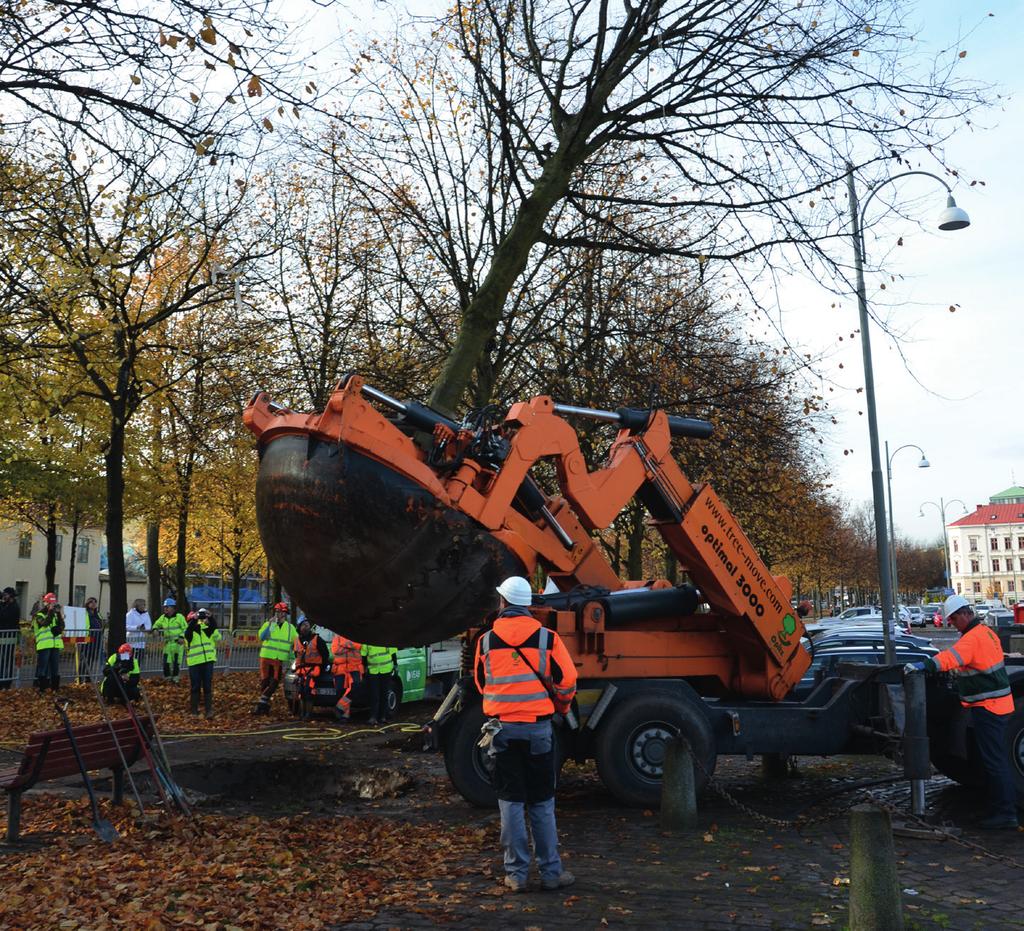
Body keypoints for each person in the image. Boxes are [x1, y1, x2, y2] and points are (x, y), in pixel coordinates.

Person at [473, 576, 578, 893]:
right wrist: (560, 705)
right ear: (528, 606)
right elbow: (568, 681)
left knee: (511, 803)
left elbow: (481, 682)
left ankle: (516, 875)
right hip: (537, 730)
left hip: (502, 730)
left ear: (503, 603)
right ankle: (550, 874)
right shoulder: (547, 638)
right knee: (542, 804)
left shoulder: (486, 641)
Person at [905, 594, 1019, 830]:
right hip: (996, 705)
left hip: (988, 707)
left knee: (995, 763)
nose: (953, 624)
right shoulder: (986, 632)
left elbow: (950, 658)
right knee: (995, 761)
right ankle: (1001, 808)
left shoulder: (972, 638)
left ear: (965, 614)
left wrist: (924, 666)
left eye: (954, 619)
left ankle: (1005, 813)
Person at [254, 602, 297, 715]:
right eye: (277, 612)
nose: (279, 614)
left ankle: (262, 703)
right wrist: (270, 625)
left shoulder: (290, 628)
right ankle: (263, 706)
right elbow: (262, 637)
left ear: (285, 614)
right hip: (266, 657)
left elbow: (296, 644)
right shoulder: (270, 624)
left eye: (281, 612)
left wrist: (295, 657)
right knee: (265, 682)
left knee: (275, 682)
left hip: (279, 659)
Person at [184, 608, 220, 719]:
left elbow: (214, 627)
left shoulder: (206, 630)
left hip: (207, 661)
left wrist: (210, 617)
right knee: (195, 686)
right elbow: (188, 633)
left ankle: (209, 711)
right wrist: (194, 620)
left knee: (207, 685)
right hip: (194, 663)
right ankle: (194, 711)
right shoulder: (189, 633)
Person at [293, 619, 329, 720]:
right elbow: (297, 656)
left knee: (309, 691)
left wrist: (321, 668)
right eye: (303, 625)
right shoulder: (297, 640)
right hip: (301, 670)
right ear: (299, 627)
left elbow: (325, 654)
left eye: (307, 625)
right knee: (301, 692)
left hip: (313, 670)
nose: (305, 627)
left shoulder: (317, 639)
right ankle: (302, 713)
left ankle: (308, 714)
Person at [360, 642, 398, 727]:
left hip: (386, 669)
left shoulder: (386, 638)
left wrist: (395, 665)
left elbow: (393, 653)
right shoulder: (367, 641)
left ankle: (382, 717)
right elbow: (363, 656)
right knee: (374, 695)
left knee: (384, 694)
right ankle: (374, 717)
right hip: (373, 671)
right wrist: (365, 668)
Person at [32, 593, 64, 692]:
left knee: (55, 668)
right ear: (45, 603)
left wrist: (58, 613)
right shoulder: (39, 615)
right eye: (50, 603)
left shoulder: (54, 615)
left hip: (55, 645)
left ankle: (55, 688)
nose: (52, 605)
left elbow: (62, 626)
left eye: (53, 603)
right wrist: (50, 611)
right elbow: (45, 623)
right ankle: (42, 688)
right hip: (44, 645)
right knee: (43, 668)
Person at [330, 631, 363, 723]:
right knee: (340, 690)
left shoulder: (357, 635)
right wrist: (351, 646)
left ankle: (339, 707)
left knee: (355, 687)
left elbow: (359, 646)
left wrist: (344, 645)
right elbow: (335, 650)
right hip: (340, 668)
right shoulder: (337, 636)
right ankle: (344, 716)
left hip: (354, 667)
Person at [153, 598, 187, 682]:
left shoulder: (179, 617)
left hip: (177, 644)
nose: (165, 609)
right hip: (167, 644)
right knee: (166, 663)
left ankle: (175, 678)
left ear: (172, 607)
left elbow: (186, 628)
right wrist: (155, 629)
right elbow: (156, 624)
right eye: (164, 607)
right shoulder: (163, 618)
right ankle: (167, 678)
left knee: (176, 662)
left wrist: (182, 637)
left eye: (167, 607)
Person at [79, 596, 104, 683]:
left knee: (91, 659)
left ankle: (87, 676)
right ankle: (80, 677)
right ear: (88, 604)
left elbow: (101, 624)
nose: (94, 604)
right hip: (87, 638)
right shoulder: (85, 613)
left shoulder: (97, 614)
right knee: (85, 658)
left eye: (95, 602)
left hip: (96, 638)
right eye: (91, 602)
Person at [0, 587, 20, 690]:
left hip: (8, 638)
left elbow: (3, 616)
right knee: (3, 661)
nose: (4, 597)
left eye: (6, 595)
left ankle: (5, 682)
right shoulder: (7, 605)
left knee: (5, 661)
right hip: (4, 638)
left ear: (11, 596)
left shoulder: (14, 607)